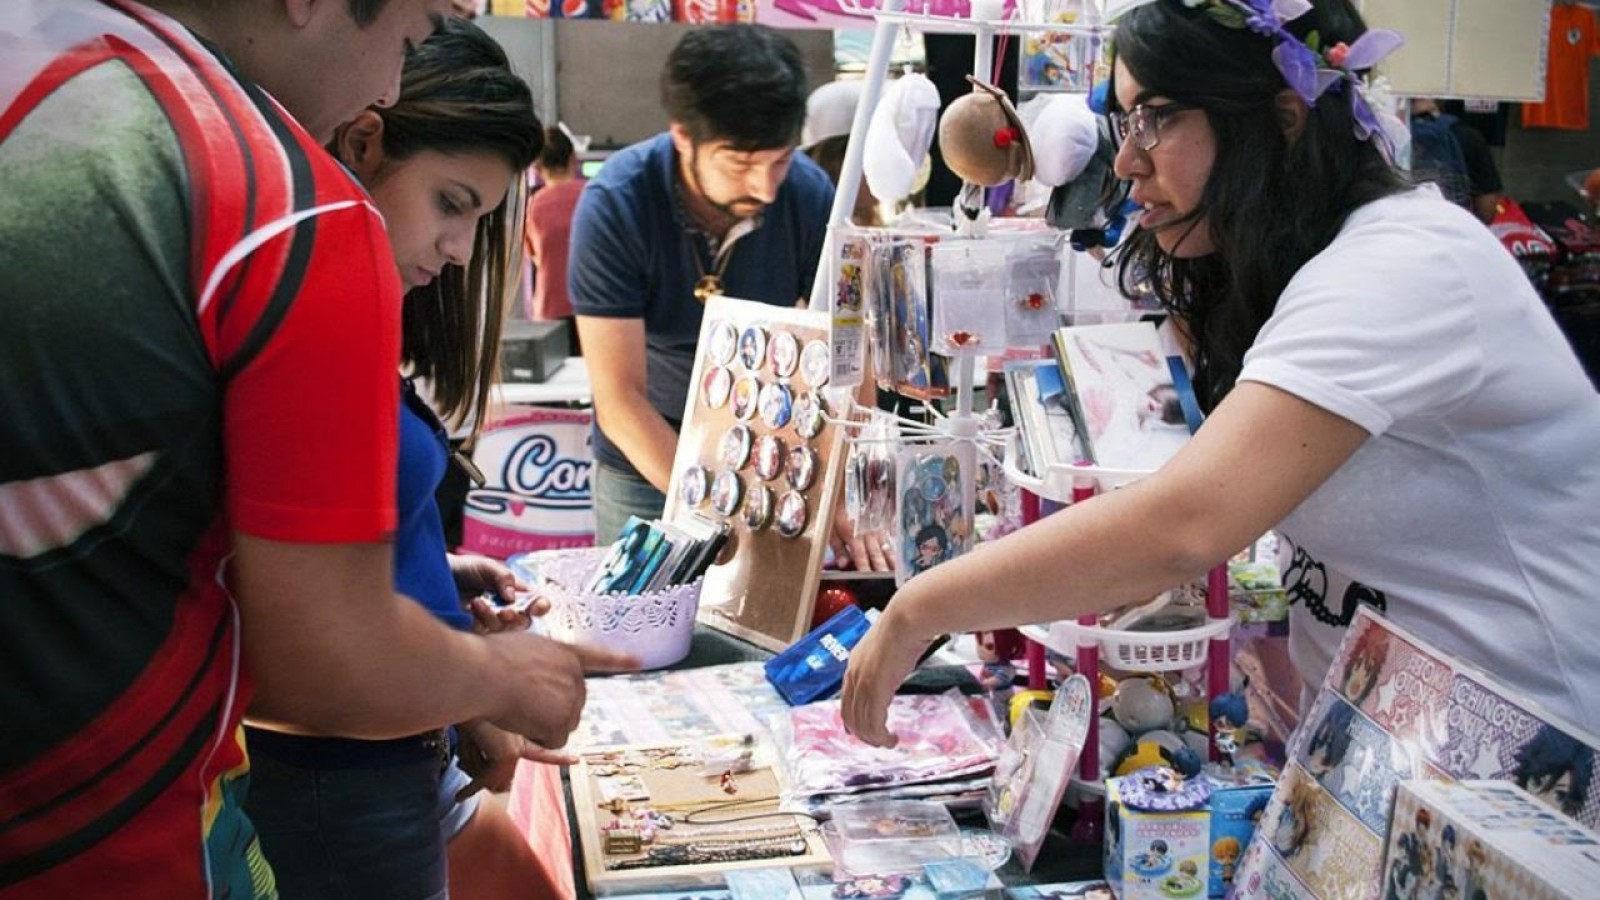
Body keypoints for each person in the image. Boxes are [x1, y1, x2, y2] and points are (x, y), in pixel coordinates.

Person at [841, 0, 1600, 750]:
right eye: (1124, 122)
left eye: (1158, 117)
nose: (1129, 160)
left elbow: (1182, 527)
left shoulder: (1404, 264)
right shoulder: (1301, 267)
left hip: (1539, 766)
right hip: (1399, 758)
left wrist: (921, 607)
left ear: (1283, 117)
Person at [0, 2, 632, 895]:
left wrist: (414, 587)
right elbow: (324, 661)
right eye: (409, 39)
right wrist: (501, 678)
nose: (385, 88)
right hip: (123, 827)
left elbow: (188, 524)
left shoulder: (51, 69)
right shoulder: (286, 205)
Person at [241, 20, 568, 900]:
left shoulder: (344, 306)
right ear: (363, 140)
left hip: (378, 762)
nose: (461, 250)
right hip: (333, 774)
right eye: (452, 203)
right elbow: (295, 635)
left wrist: (435, 580)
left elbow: (331, 550)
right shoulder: (294, 305)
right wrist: (489, 681)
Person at [568, 25, 833, 544]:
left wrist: (838, 488)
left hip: (763, 441)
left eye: (779, 160)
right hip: (645, 451)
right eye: (739, 164)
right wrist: (713, 508)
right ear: (683, 136)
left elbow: (846, 342)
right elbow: (618, 396)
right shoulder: (615, 205)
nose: (765, 186)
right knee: (638, 617)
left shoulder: (807, 193)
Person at [525, 123, 586, 351]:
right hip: (593, 304)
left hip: (550, 308)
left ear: (538, 169)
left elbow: (536, 258)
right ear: (573, 159)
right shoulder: (594, 196)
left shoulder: (532, 207)